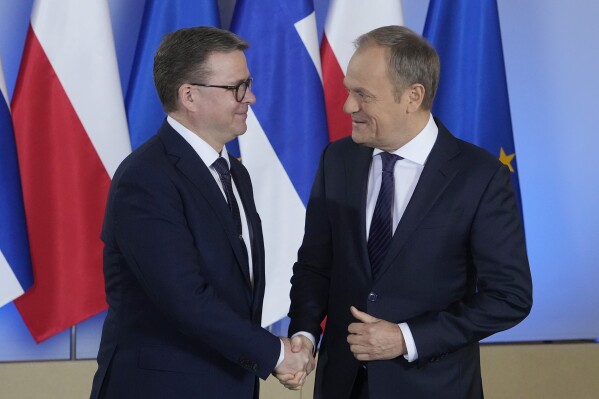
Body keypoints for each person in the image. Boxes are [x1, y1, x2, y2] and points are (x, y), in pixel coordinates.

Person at [287, 25, 533, 398]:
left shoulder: (479, 176)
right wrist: (304, 333)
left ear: (412, 96)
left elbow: (509, 297)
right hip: (342, 385)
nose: (347, 106)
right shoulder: (337, 159)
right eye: (349, 90)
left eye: (362, 95)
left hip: (432, 386)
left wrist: (406, 338)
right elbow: (314, 266)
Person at [89, 27, 313, 399]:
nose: (251, 98)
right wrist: (276, 354)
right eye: (236, 87)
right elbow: (185, 298)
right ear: (189, 95)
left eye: (249, 84)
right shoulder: (145, 178)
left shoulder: (234, 172)